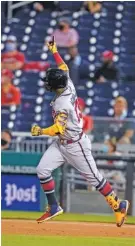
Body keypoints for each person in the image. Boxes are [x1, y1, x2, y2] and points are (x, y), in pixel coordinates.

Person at [31, 38, 129, 226]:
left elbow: (57, 128)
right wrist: (54, 50)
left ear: (55, 85)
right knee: (42, 170)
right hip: (62, 144)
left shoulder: (62, 103)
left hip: (76, 144)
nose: (46, 84)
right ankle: (53, 207)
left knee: (95, 179)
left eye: (48, 82)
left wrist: (40, 131)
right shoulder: (66, 82)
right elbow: (63, 66)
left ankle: (119, 205)